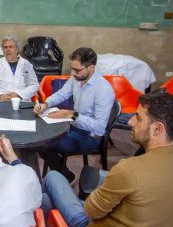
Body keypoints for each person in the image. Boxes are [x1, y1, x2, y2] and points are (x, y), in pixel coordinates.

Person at [41, 92, 173, 227]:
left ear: (157, 129)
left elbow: (90, 211)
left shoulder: (129, 169)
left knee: (53, 178)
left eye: (138, 118)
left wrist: (109, 185)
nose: (130, 122)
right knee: (47, 200)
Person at [33, 47, 115, 183]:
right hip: (74, 124)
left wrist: (73, 115)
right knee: (41, 133)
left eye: (77, 70)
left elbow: (99, 128)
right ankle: (64, 174)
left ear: (91, 68)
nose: (73, 73)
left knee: (43, 145)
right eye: (72, 68)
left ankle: (66, 177)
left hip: (90, 136)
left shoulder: (103, 89)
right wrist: (46, 104)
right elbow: (61, 94)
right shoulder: (77, 78)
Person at [0, 35, 39, 101]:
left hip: (21, 100)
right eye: (5, 47)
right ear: (2, 50)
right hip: (0, 100)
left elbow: (34, 85)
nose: (8, 50)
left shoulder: (26, 64)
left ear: (17, 49)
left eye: (11, 47)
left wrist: (19, 95)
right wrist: (0, 95)